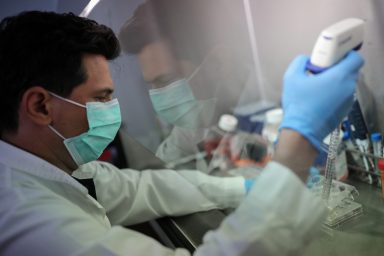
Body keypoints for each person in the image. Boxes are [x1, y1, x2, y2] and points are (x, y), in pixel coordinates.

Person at [0, 10, 363, 256]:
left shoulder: (53, 166)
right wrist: (299, 142)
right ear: (41, 106)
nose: (114, 108)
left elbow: (137, 188)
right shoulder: (35, 224)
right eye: (101, 97)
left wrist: (243, 188)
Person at [119, 0, 254, 170]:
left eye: (166, 80)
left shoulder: (273, 105)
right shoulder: (193, 126)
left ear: (218, 63)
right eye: (151, 84)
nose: (158, 96)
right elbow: (160, 177)